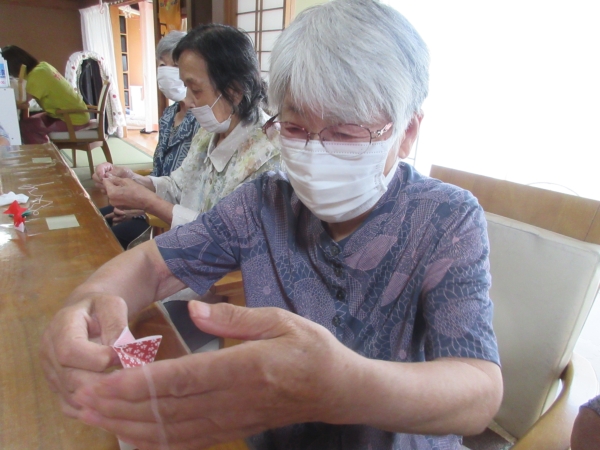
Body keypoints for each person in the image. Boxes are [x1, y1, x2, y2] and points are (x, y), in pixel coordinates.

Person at [40, 1, 503, 449]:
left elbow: (478, 392)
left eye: (346, 133)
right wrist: (86, 303)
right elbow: (153, 266)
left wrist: (343, 385)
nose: (316, 152)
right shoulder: (264, 202)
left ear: (407, 133)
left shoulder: (445, 217)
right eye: (296, 129)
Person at [93, 24, 280, 249]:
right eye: (185, 87)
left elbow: (228, 240)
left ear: (235, 91)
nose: (189, 101)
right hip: (184, 250)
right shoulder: (209, 131)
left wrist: (148, 202)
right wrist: (135, 180)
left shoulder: (269, 156)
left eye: (196, 90)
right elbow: (178, 186)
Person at [98, 30, 201, 249]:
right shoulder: (169, 115)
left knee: (104, 239)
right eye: (161, 65)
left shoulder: (204, 121)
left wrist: (141, 208)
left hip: (169, 217)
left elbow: (190, 195)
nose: (166, 72)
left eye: (173, 65)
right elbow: (161, 175)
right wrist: (126, 179)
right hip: (154, 202)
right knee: (94, 217)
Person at [1, 45, 90, 145]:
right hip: (76, 114)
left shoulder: (35, 76)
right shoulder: (43, 66)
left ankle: (43, 152)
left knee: (26, 127)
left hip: (72, 120)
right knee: (29, 122)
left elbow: (24, 103)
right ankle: (44, 149)